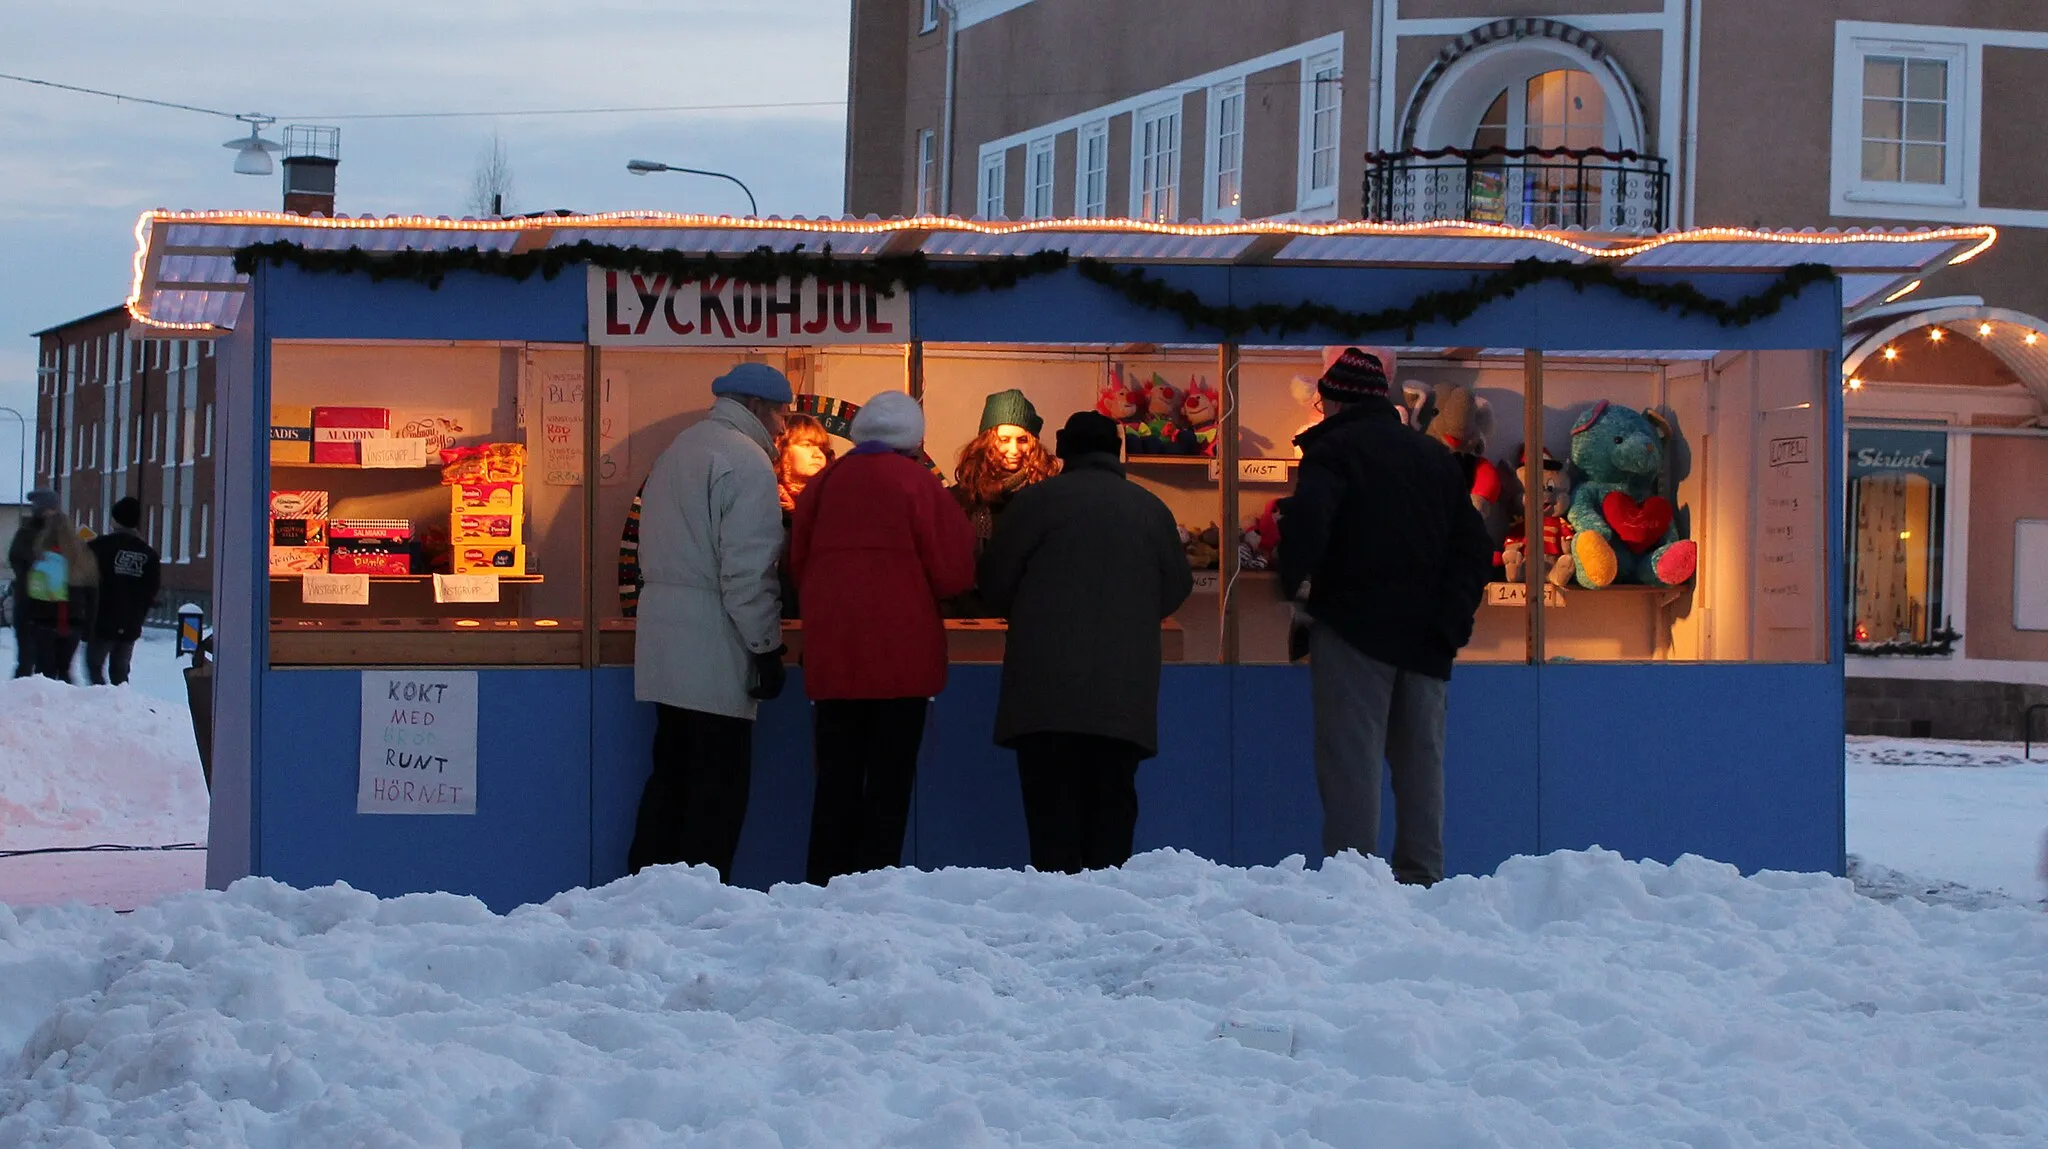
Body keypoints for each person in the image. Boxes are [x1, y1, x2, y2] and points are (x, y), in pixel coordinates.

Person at [1276, 347, 1493, 887]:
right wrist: (1451, 623)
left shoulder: (1332, 451)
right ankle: (1422, 876)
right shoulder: (1435, 458)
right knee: (1421, 765)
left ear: (1334, 401)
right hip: (1427, 636)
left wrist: (1297, 589)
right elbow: (1473, 547)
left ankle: (1357, 885)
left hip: (1354, 626)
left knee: (1352, 762)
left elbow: (1309, 527)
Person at [979, 410, 1193, 874]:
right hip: (1122, 694)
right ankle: (1107, 916)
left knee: (1051, 819)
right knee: (1112, 817)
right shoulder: (1149, 508)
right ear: (1116, 451)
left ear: (1062, 449)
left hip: (1043, 694)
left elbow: (995, 583)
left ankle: (1057, 918)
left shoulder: (1033, 504)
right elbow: (1176, 587)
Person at [789, 391, 975, 885]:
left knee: (835, 786)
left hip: (834, 661)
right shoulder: (921, 486)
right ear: (913, 442)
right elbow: (955, 573)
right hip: (903, 662)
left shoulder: (822, 485)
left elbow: (797, 566)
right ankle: (875, 892)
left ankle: (823, 890)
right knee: (888, 788)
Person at [628, 363, 793, 882]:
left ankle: (645, 891)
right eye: (781, 416)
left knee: (670, 778)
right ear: (759, 408)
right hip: (714, 647)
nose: (784, 430)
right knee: (715, 792)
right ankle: (702, 899)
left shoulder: (679, 449)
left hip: (663, 645)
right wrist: (766, 647)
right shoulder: (745, 463)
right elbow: (747, 572)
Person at [949, 389, 1057, 616]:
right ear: (987, 442)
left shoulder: (1048, 496)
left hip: (1032, 614)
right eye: (1004, 440)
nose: (1014, 450)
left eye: (1023, 440)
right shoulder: (962, 498)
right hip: (971, 618)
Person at [86, 496, 161, 686]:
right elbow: (151, 589)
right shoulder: (148, 554)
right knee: (120, 672)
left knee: (94, 665)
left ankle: (101, 703)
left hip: (102, 620)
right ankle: (122, 703)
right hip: (131, 622)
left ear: (115, 520)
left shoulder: (98, 547)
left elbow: (86, 579)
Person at [19, 511, 99, 683]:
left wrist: (27, 619)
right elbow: (92, 594)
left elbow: (30, 591)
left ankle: (45, 705)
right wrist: (88, 624)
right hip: (73, 620)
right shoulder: (83, 557)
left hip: (43, 620)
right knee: (65, 670)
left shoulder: (40, 555)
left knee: (44, 672)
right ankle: (66, 705)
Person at [774, 413, 836, 620]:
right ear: (782, 448)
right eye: (807, 444)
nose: (818, 454)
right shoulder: (763, 498)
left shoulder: (832, 500)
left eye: (822, 448)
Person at [8, 489, 58, 678]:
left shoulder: (56, 533)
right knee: (30, 659)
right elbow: (17, 561)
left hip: (46, 603)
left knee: (44, 660)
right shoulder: (28, 533)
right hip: (33, 602)